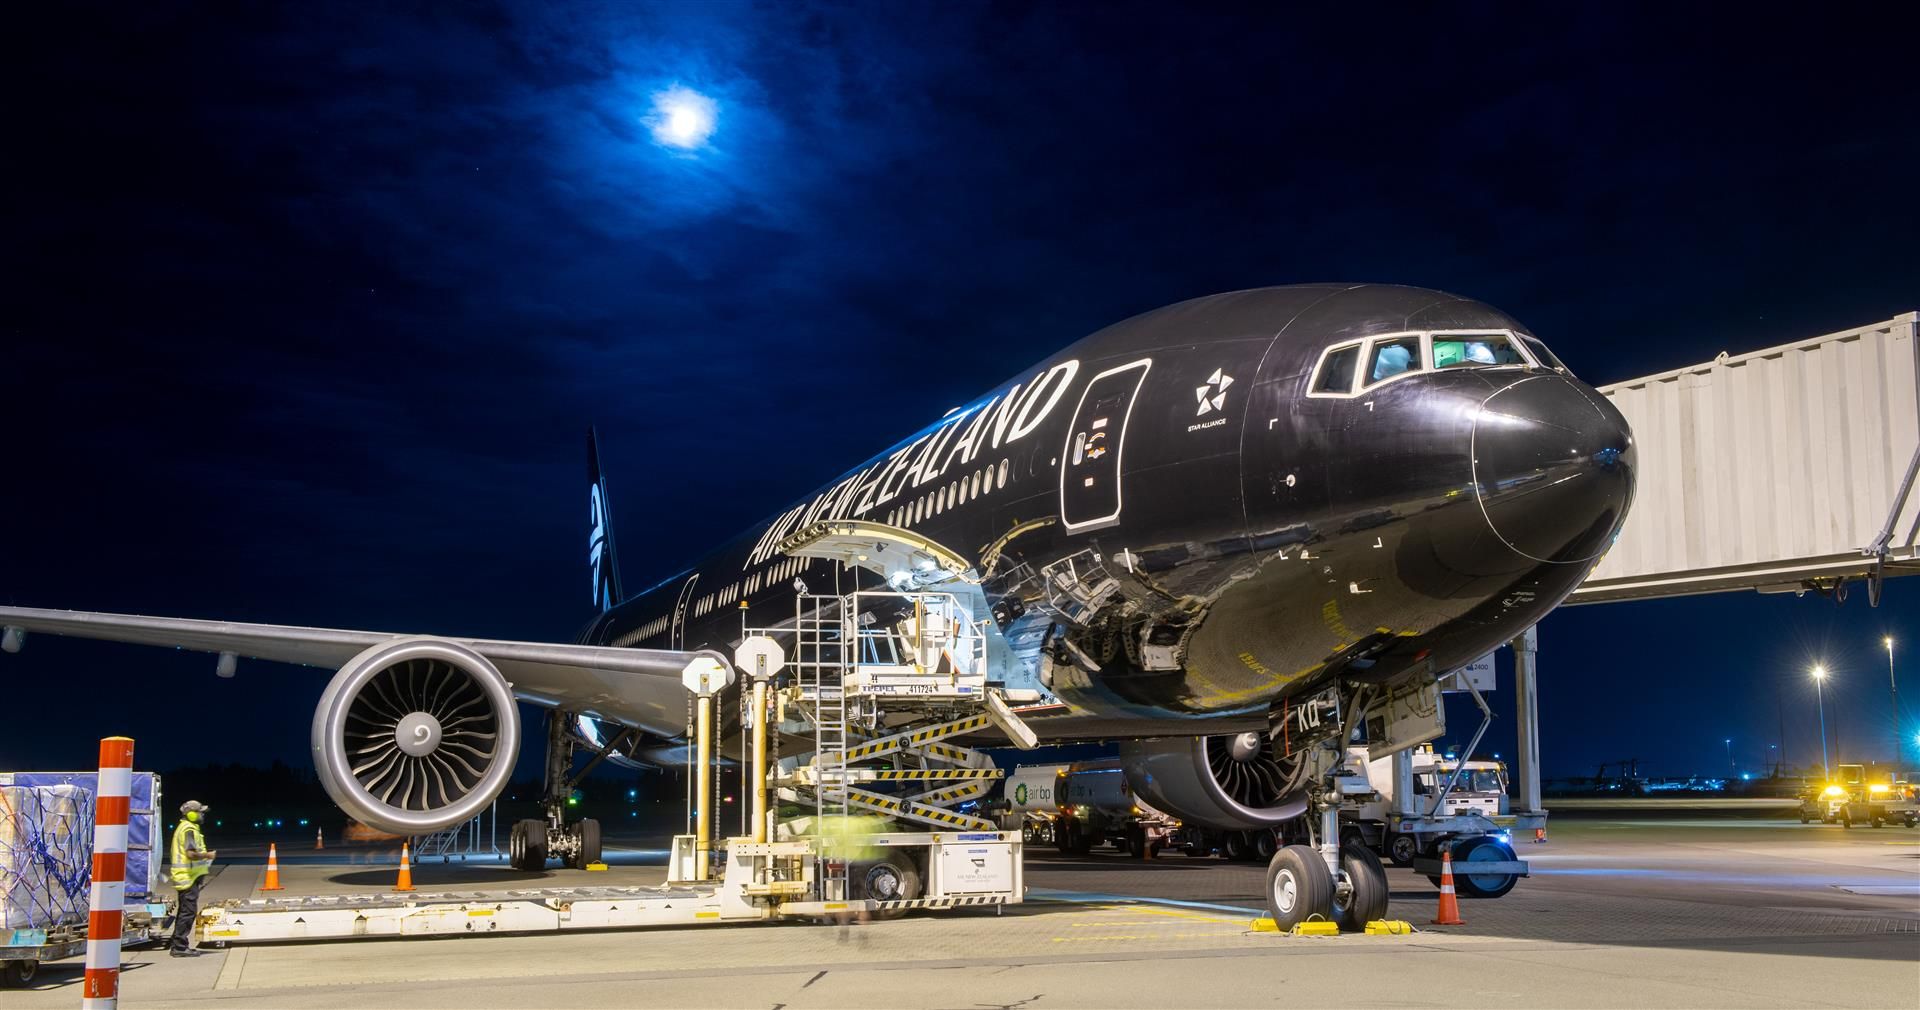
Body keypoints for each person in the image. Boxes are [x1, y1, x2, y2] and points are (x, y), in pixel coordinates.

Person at [168, 800, 217, 957]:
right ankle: (179, 947)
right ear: (191, 814)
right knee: (188, 912)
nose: (202, 815)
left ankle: (177, 943)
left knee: (184, 911)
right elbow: (191, 854)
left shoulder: (188, 828)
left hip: (188, 877)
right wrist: (207, 855)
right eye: (200, 812)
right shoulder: (188, 829)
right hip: (187, 878)